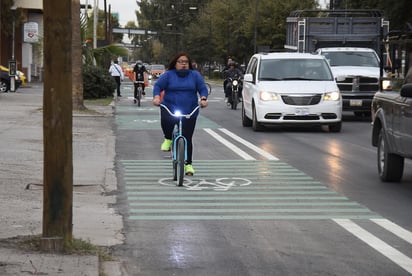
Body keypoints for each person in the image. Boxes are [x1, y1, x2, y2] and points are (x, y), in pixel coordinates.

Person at [152, 52, 209, 176]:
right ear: (175, 63)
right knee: (166, 119)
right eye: (180, 61)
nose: (183, 64)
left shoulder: (195, 75)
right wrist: (156, 97)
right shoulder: (168, 75)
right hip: (170, 107)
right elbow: (158, 86)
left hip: (190, 109)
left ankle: (188, 165)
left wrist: (203, 99)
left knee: (187, 137)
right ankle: (168, 138)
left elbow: (202, 88)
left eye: (186, 62)